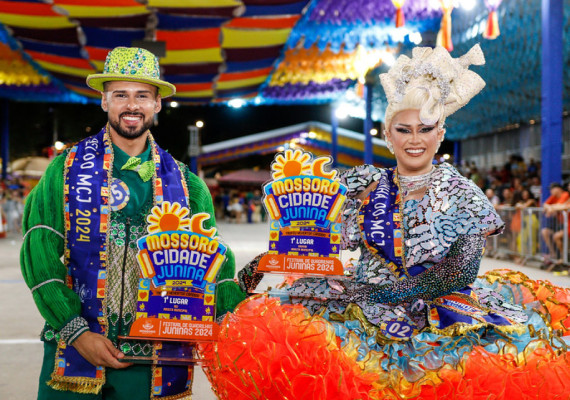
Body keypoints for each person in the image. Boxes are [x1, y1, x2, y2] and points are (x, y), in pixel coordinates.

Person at [201, 45, 570, 399]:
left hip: (435, 313)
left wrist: (389, 294)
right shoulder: (364, 183)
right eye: (404, 129)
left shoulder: (462, 193)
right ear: (388, 135)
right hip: (359, 306)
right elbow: (309, 231)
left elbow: (460, 270)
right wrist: (268, 261)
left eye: (425, 129)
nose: (415, 140)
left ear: (440, 134)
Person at [20, 47, 245, 400]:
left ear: (157, 104)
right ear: (104, 100)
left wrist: (252, 290)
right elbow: (40, 250)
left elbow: (212, 271)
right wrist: (76, 330)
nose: (131, 105)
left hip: (154, 358)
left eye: (142, 95)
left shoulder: (188, 185)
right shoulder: (65, 170)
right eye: (120, 95)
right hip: (75, 350)